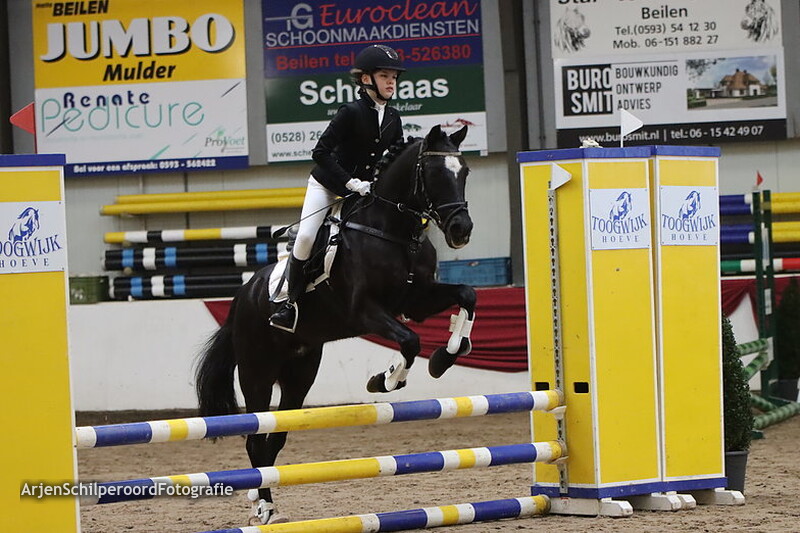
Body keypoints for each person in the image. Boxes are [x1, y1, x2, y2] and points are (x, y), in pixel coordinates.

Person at [270, 44, 406, 332]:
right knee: (307, 237)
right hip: (328, 186)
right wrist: (349, 182)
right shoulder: (350, 112)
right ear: (366, 79)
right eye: (385, 76)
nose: (391, 82)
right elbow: (320, 152)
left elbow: (396, 158)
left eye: (394, 77)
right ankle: (290, 303)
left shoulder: (394, 118)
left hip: (364, 191)